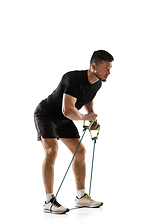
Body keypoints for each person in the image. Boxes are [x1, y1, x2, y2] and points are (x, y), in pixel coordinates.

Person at [34, 50, 114, 214]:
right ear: (93, 66)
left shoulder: (97, 83)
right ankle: (49, 201)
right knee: (52, 150)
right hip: (46, 114)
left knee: (80, 152)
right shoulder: (72, 78)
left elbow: (88, 97)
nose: (109, 72)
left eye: (110, 68)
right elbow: (67, 110)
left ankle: (81, 197)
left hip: (63, 119)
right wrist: (85, 118)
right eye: (106, 68)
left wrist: (91, 118)